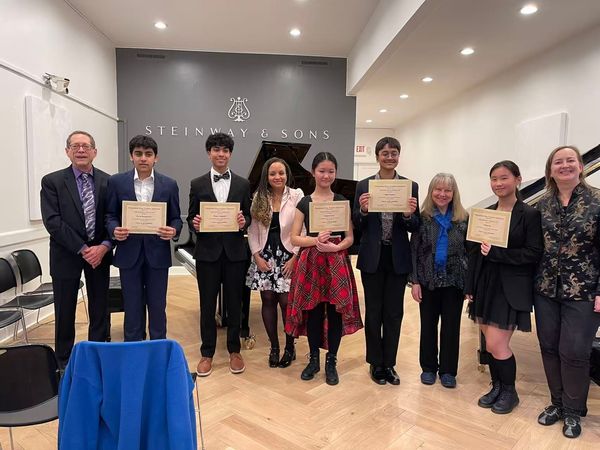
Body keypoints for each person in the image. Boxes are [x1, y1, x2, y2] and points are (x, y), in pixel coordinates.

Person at [465, 160, 543, 414]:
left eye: (504, 178)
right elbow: (475, 254)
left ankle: (510, 392)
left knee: (498, 345)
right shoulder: (486, 213)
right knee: (489, 345)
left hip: (510, 288)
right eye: (494, 179)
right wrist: (470, 285)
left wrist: (498, 253)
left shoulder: (529, 214)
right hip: (485, 284)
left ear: (518, 180)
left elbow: (533, 253)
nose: (498, 183)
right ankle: (497, 386)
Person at [534, 146, 600, 438]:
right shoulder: (542, 205)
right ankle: (557, 403)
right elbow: (532, 247)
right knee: (548, 347)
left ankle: (573, 411)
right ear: (550, 170)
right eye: (557, 162)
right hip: (545, 288)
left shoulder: (597, 200)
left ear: (581, 166)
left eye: (570, 160)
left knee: (574, 352)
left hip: (585, 290)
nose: (564, 165)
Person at [286, 152, 363, 385]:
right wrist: (315, 241)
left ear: (335, 173)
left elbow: (350, 237)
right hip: (311, 261)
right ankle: (313, 360)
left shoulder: (341, 200)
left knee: (336, 312)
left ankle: (331, 361)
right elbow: (294, 238)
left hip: (336, 261)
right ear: (313, 172)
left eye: (331, 171)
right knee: (314, 311)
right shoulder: (304, 203)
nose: (326, 175)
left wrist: (336, 247)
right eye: (321, 171)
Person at [40, 130, 112, 368]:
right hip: (66, 255)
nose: (81, 150)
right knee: (64, 310)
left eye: (85, 146)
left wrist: (104, 246)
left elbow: (113, 218)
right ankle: (64, 362)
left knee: (100, 308)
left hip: (100, 255)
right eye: (75, 146)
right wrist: (83, 248)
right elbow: (53, 222)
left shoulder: (108, 181)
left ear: (94, 152)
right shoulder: (52, 182)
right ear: (67, 151)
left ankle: (98, 356)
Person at [352, 136, 419, 386]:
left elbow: (415, 225)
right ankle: (375, 362)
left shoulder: (410, 186)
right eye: (385, 153)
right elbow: (356, 222)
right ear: (377, 156)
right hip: (372, 257)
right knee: (373, 312)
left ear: (398, 156)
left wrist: (408, 215)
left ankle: (389, 363)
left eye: (394, 153)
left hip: (397, 257)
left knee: (394, 313)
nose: (389, 157)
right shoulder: (364, 185)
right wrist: (363, 210)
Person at [105, 135, 182, 341]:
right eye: (138, 154)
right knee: (132, 306)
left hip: (158, 254)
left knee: (158, 306)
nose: (143, 158)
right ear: (131, 156)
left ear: (156, 157)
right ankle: (133, 347)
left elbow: (176, 218)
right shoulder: (116, 182)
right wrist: (114, 230)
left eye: (148, 154)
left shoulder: (169, 184)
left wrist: (173, 230)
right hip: (128, 253)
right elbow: (110, 215)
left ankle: (158, 348)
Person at [187, 132, 251, 376]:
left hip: (235, 253)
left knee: (235, 303)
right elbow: (191, 217)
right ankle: (207, 353)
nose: (221, 154)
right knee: (207, 304)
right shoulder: (197, 183)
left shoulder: (243, 184)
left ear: (230, 154)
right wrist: (195, 223)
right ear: (209, 153)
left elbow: (249, 215)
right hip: (207, 253)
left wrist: (244, 221)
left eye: (225, 150)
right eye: (216, 150)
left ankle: (235, 350)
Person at [409, 173, 468, 388]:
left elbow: (469, 253)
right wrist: (415, 282)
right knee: (428, 326)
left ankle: (448, 371)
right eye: (438, 189)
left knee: (451, 327)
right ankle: (428, 367)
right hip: (428, 281)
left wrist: (469, 284)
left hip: (454, 281)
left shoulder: (463, 219)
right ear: (431, 191)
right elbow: (414, 251)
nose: (442, 194)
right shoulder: (423, 218)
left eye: (447, 190)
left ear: (454, 193)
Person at [246, 157, 304, 368]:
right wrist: (256, 256)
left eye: (281, 173)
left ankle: (290, 347)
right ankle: (274, 347)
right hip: (265, 255)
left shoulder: (297, 195)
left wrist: (295, 256)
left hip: (288, 254)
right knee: (268, 300)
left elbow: (304, 228)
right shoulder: (259, 197)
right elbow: (252, 230)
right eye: (273, 174)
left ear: (287, 174)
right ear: (266, 176)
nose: (277, 177)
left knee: (287, 303)